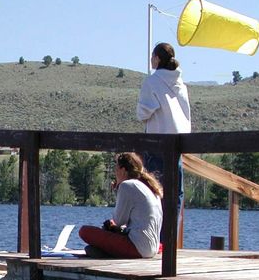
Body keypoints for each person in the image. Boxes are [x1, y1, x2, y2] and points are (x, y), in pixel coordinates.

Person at [137, 42, 191, 212]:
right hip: (177, 146)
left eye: (152, 57)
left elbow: (142, 113)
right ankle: (171, 234)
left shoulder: (152, 82)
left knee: (154, 192)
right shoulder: (181, 84)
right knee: (176, 194)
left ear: (157, 58)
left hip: (157, 144)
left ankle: (156, 235)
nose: (151, 60)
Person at [78, 152, 163, 258]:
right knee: (94, 246)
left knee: (84, 231)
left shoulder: (126, 185)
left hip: (138, 247)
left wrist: (118, 187)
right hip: (152, 248)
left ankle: (105, 253)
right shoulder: (150, 188)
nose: (115, 173)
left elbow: (118, 221)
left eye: (116, 169)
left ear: (123, 170)